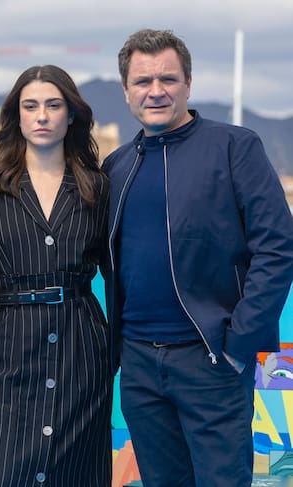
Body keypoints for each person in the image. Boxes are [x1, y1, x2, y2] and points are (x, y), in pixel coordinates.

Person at [101, 29, 293, 486]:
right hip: (140, 366)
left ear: (188, 83)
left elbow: (277, 246)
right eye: (143, 81)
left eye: (168, 78)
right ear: (126, 90)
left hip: (211, 359)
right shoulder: (117, 166)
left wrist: (238, 345)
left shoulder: (235, 147)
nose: (156, 91)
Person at [0, 65, 112, 487]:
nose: (42, 116)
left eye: (54, 105)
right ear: (16, 117)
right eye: (30, 106)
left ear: (71, 115)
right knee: (7, 472)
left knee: (80, 476)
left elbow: (119, 274)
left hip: (82, 351)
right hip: (12, 351)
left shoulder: (98, 188)